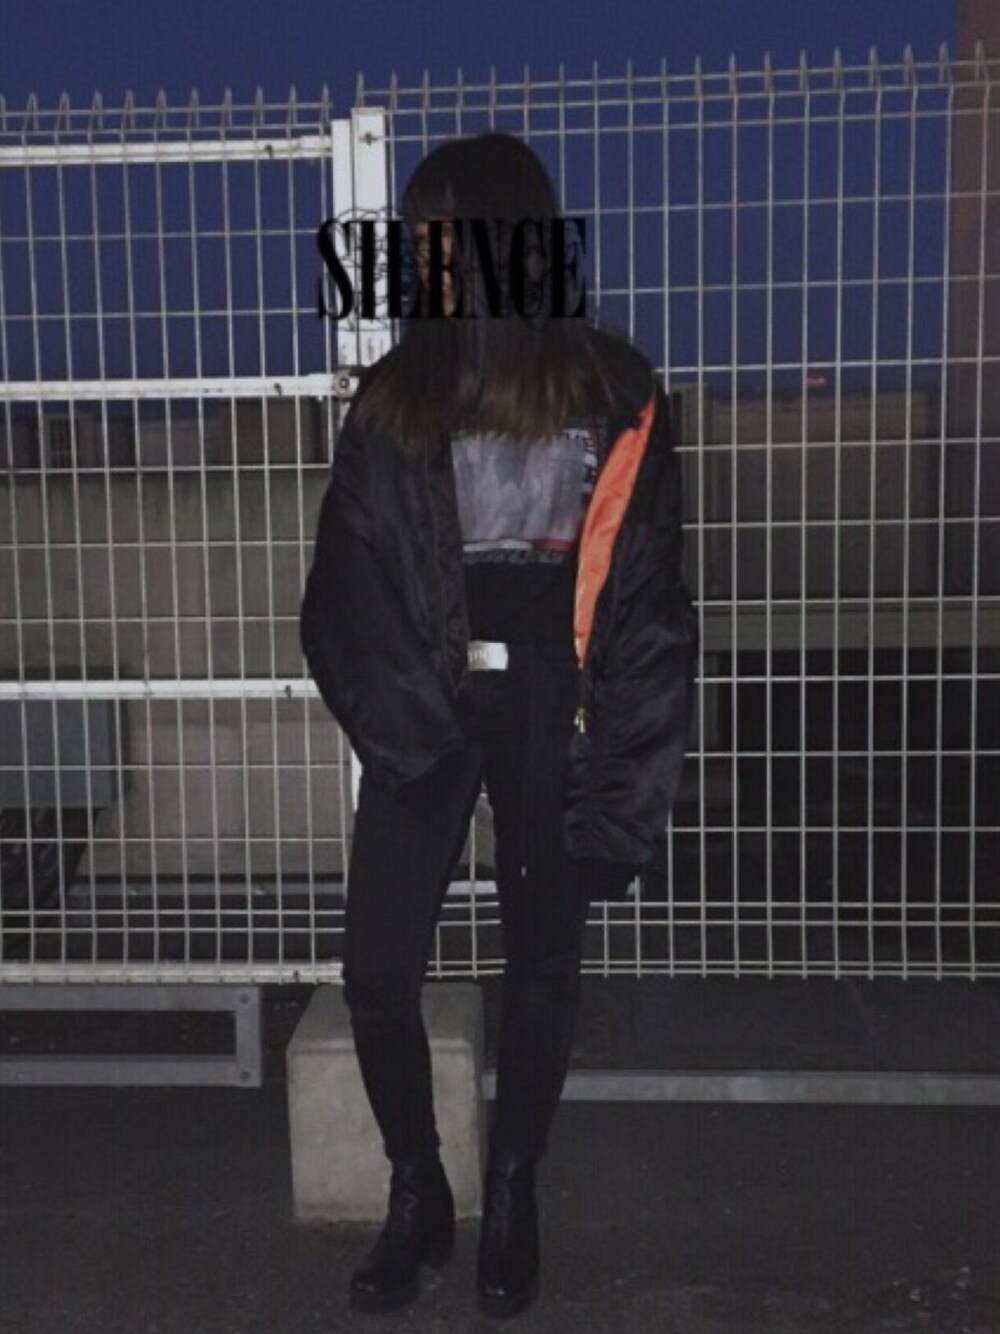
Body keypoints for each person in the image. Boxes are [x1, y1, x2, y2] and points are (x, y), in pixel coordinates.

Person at [299, 130, 698, 1319]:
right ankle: (417, 1183)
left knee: (541, 968)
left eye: (437, 232)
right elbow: (344, 591)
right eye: (413, 235)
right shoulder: (395, 398)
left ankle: (515, 1184)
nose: (418, 254)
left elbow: (646, 608)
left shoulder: (616, 392)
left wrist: (620, 785)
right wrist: (406, 733)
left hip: (548, 712)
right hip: (427, 708)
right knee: (376, 969)